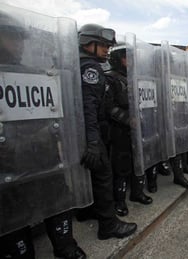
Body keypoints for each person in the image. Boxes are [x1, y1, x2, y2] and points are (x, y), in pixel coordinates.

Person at [0, 10, 86, 259]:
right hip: (8, 167)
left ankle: (66, 246)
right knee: (13, 218)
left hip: (45, 158)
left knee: (58, 202)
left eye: (20, 38)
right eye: (10, 37)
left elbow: (57, 116)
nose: (18, 44)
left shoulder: (35, 76)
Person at [77, 23, 137, 239]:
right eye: (101, 45)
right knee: (104, 176)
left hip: (83, 132)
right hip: (91, 132)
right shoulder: (91, 69)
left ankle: (88, 210)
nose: (106, 49)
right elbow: (89, 108)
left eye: (107, 45)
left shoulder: (80, 65)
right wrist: (93, 142)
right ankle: (108, 225)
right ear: (87, 43)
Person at [104, 45, 153, 217]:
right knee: (121, 166)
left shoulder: (135, 78)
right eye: (126, 57)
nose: (130, 61)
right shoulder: (110, 79)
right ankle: (119, 201)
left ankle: (137, 192)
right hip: (119, 130)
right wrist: (128, 120)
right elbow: (107, 107)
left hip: (138, 129)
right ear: (117, 59)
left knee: (138, 160)